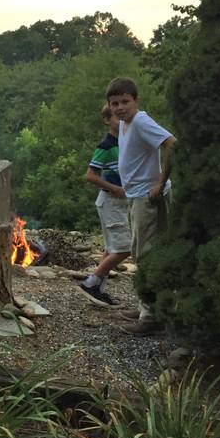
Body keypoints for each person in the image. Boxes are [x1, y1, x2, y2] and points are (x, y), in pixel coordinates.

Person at [104, 77, 176, 335]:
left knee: (146, 253)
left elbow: (171, 144)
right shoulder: (125, 124)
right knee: (141, 251)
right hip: (134, 196)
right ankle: (146, 305)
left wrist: (161, 182)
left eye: (125, 102)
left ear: (136, 101)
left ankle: (151, 317)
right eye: (115, 103)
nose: (120, 107)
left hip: (148, 198)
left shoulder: (142, 121)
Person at [77, 104, 131, 308]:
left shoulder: (124, 143)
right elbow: (90, 176)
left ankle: (98, 290)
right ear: (107, 120)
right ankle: (91, 283)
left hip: (118, 202)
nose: (122, 122)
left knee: (111, 249)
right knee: (125, 248)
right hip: (111, 201)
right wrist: (115, 189)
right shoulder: (106, 146)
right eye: (117, 118)